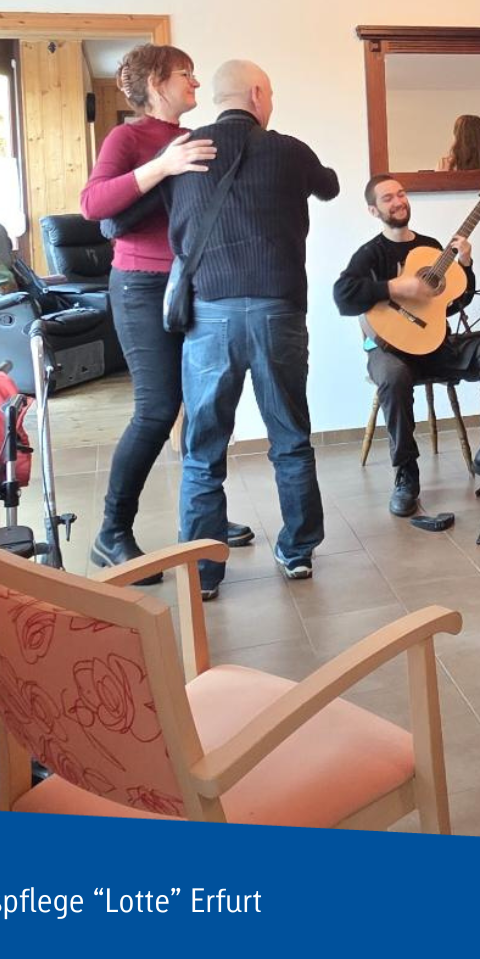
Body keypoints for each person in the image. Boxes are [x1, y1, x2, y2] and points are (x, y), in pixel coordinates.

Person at [162, 60, 338, 597]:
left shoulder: (183, 152)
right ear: (258, 94)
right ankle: (297, 552)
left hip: (209, 315)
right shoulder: (288, 150)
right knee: (290, 436)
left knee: (202, 448)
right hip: (276, 310)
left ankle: (204, 572)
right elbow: (329, 187)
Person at [80, 44, 254, 585]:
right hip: (139, 286)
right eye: (185, 74)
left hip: (193, 285)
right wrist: (164, 165)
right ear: (157, 83)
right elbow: (93, 205)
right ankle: (111, 532)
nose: (196, 83)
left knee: (204, 405)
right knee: (157, 411)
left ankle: (204, 519)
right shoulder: (127, 138)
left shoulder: (196, 137)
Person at [334, 174, 480, 516]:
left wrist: (466, 265)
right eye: (387, 198)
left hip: (436, 345)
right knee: (393, 376)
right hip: (391, 351)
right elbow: (344, 297)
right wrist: (396, 288)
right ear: (373, 210)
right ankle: (406, 474)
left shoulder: (430, 248)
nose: (398, 201)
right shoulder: (370, 254)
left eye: (401, 194)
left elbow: (455, 301)